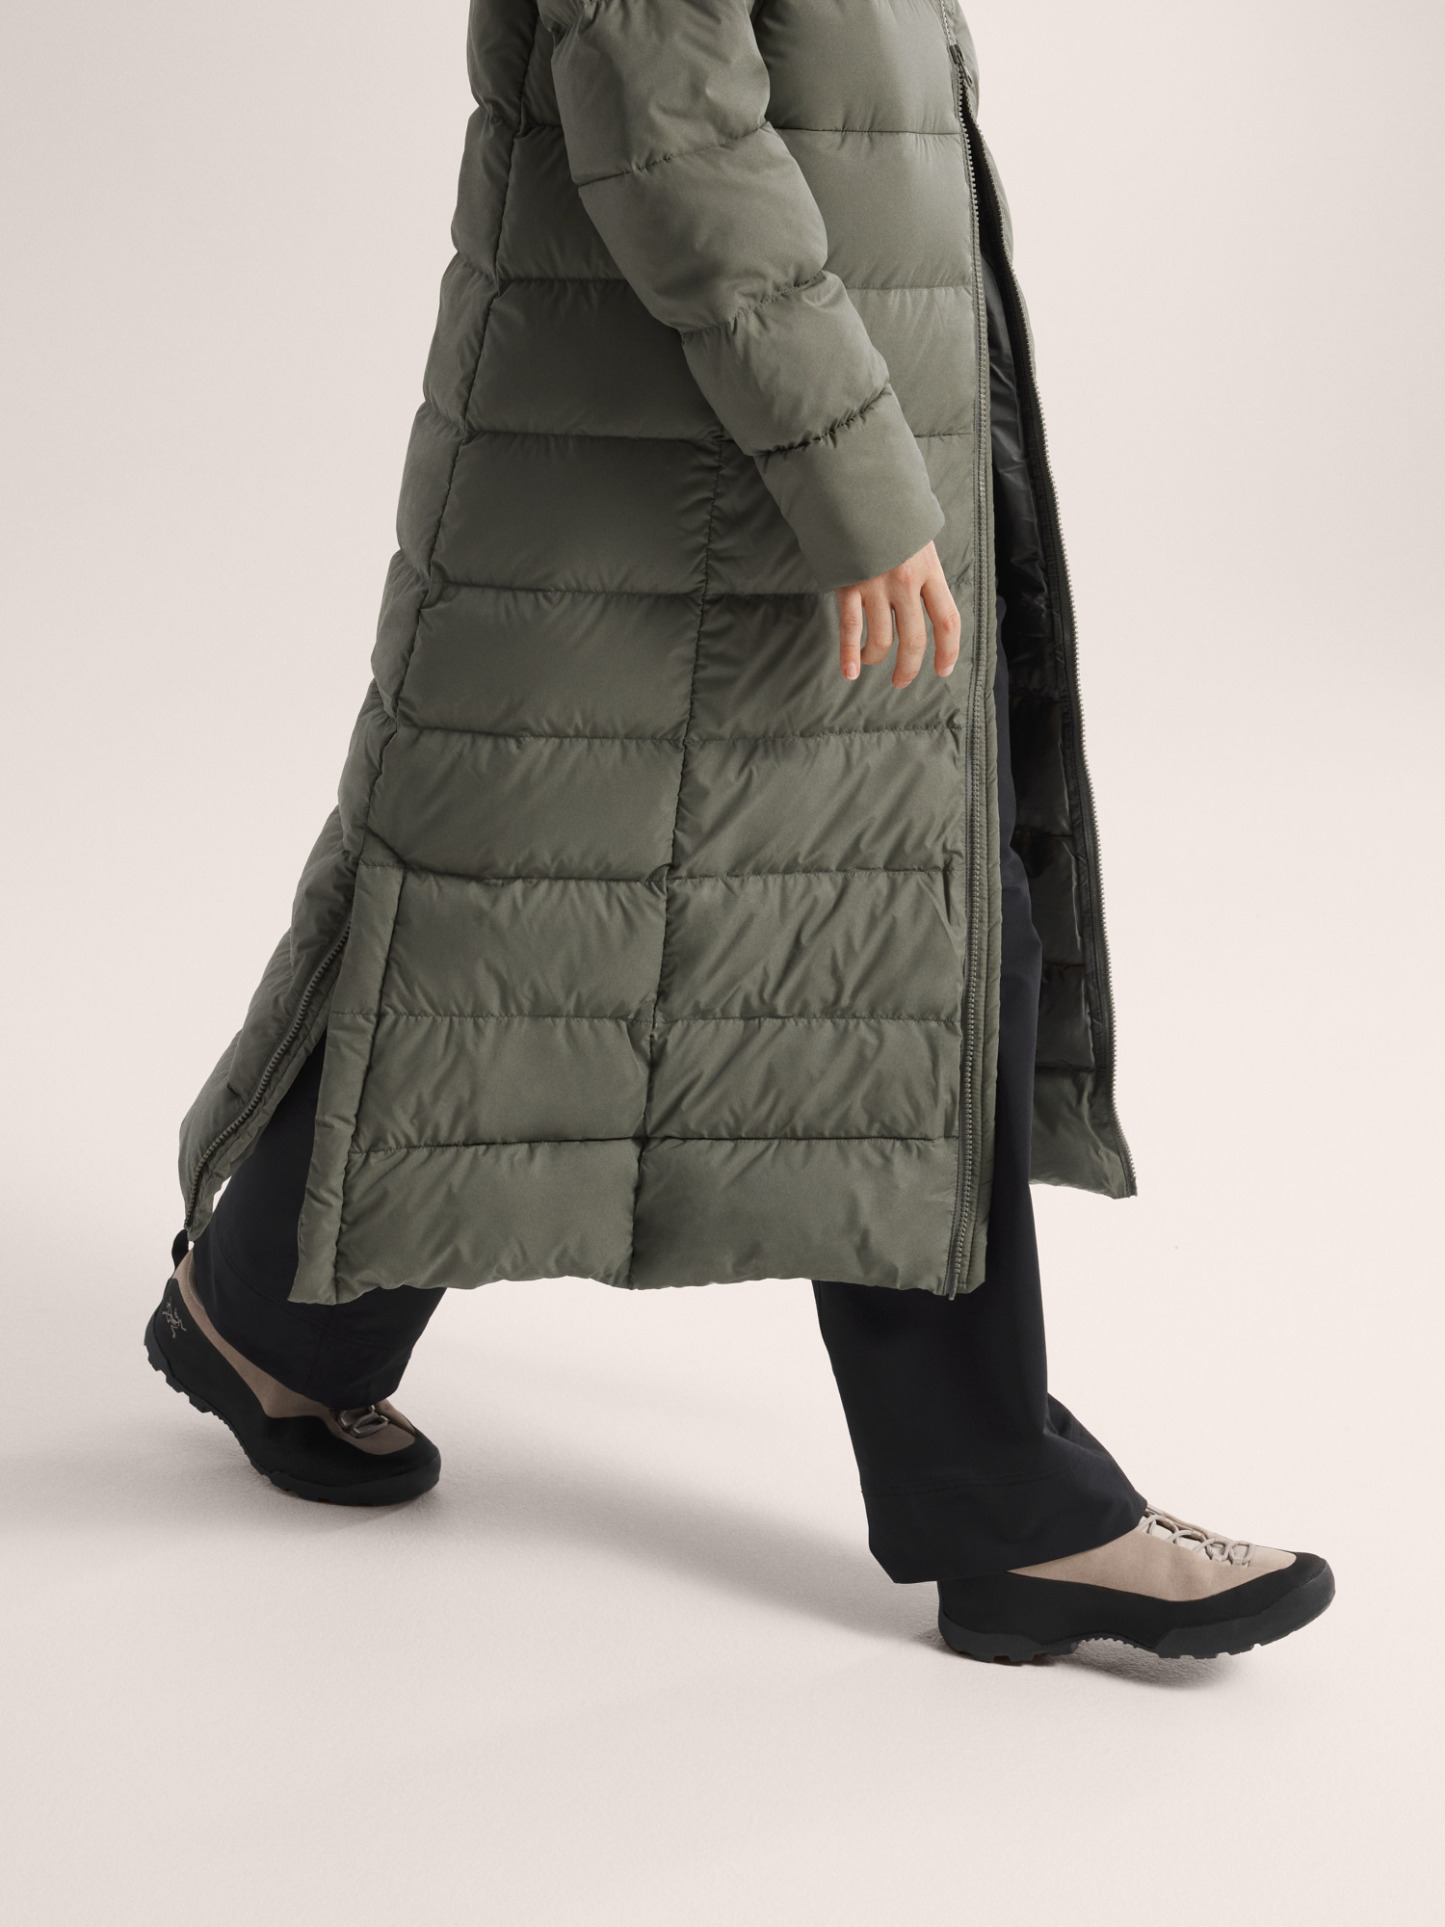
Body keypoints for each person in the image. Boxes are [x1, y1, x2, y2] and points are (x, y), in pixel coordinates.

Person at [146, 0, 1333, 1663]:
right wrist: (859, 478)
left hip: (747, 482)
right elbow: (675, 135)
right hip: (685, 492)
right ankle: (1002, 1506)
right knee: (580, 923)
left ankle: (269, 1322)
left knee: (787, 933)